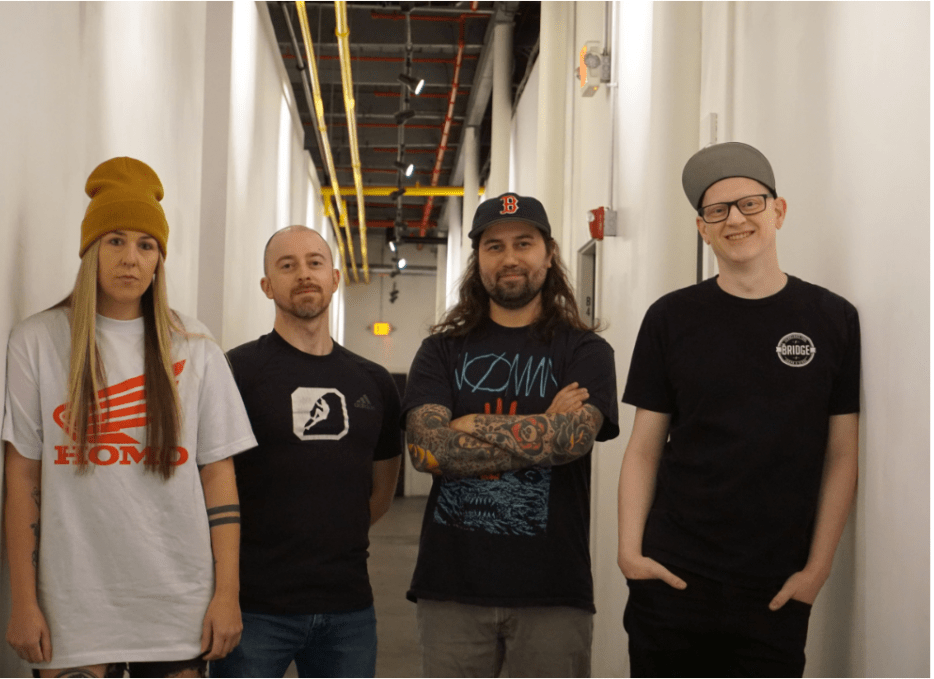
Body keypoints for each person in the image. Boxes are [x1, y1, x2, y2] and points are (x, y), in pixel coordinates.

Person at [2, 157, 256, 678]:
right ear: (90, 250)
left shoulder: (195, 346)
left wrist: (227, 594)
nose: (130, 259)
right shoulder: (38, 341)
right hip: (73, 613)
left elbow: (219, 477)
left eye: (146, 245)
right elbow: (23, 473)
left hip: (175, 609)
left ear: (160, 259)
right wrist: (23, 601)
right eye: (115, 240)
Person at [617, 142, 861, 677]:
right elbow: (643, 449)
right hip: (673, 578)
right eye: (717, 210)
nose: (735, 219)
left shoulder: (832, 319)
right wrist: (630, 556)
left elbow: (843, 453)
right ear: (702, 228)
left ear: (779, 210)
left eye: (750, 204)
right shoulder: (671, 318)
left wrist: (817, 571)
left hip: (775, 589)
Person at [401, 193, 620, 678]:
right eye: (494, 246)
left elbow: (574, 441)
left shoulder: (585, 350)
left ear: (550, 253)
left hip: (553, 591)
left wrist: (466, 424)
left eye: (524, 242)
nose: (510, 257)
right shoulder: (441, 351)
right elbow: (425, 449)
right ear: (478, 259)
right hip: (451, 589)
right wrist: (546, 425)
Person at [212, 225, 402, 678]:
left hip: (349, 610)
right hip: (255, 610)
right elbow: (212, 485)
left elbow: (379, 492)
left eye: (315, 262)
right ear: (266, 285)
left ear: (335, 277)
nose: (303, 274)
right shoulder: (235, 372)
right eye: (287, 265)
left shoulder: (374, 383)